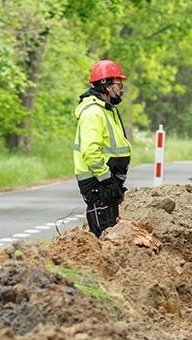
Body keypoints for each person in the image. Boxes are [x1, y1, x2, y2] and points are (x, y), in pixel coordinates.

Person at [74, 59, 131, 237]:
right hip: (98, 182)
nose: (121, 88)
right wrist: (106, 179)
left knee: (110, 233)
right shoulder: (93, 112)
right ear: (106, 85)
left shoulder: (106, 109)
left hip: (106, 180)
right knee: (104, 235)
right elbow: (91, 151)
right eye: (118, 83)